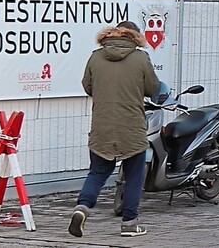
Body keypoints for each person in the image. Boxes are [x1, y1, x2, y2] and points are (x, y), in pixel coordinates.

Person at [68, 21, 160, 238]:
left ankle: (82, 208)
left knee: (98, 172)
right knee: (134, 175)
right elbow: (152, 88)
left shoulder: (96, 56)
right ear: (135, 36)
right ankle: (129, 224)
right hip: (132, 126)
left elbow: (88, 86)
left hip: (102, 125)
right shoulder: (140, 58)